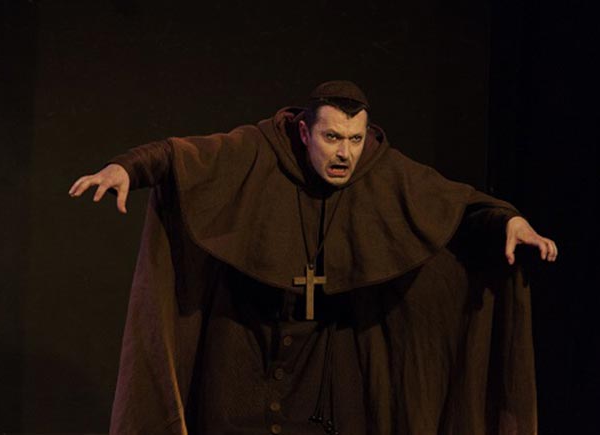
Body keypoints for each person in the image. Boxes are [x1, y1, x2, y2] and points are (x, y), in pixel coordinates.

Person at [69, 81, 557, 435]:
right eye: (332, 138)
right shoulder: (258, 149)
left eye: (355, 139)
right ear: (304, 133)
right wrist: (127, 168)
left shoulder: (381, 169)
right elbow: (184, 157)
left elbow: (453, 205)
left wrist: (507, 221)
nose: (345, 153)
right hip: (244, 346)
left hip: (331, 364)